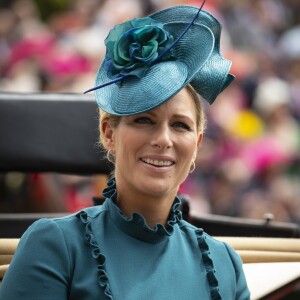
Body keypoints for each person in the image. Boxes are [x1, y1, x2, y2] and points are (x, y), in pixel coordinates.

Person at [0, 2, 250, 299]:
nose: (163, 139)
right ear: (109, 134)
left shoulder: (224, 264)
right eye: (144, 119)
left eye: (180, 125)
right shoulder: (55, 246)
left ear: (196, 145)